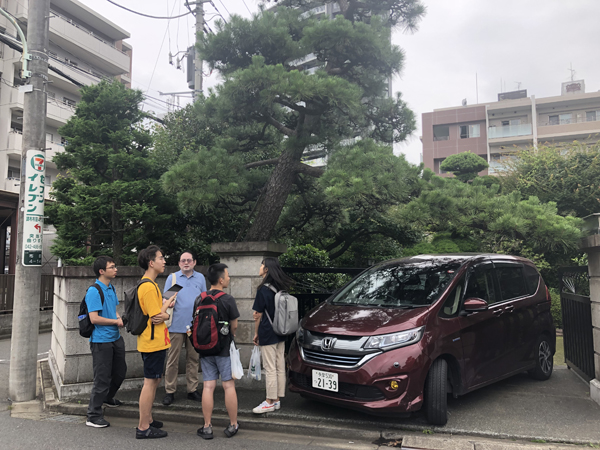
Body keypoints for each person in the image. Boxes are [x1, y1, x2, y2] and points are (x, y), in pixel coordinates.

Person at [197, 263, 240, 440]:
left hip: (205, 348)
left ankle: (207, 426)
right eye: (227, 275)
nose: (229, 278)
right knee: (228, 385)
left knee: (208, 386)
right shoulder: (228, 299)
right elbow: (234, 326)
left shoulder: (199, 298)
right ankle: (233, 424)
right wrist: (229, 336)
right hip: (223, 349)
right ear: (221, 280)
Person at [135, 245, 174, 439]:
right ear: (151, 263)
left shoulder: (150, 284)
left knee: (154, 380)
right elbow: (156, 317)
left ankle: (148, 419)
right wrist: (166, 314)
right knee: (150, 383)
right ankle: (143, 427)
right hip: (153, 342)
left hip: (155, 341)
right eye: (161, 258)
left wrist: (166, 304)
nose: (164, 261)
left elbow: (156, 311)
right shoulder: (149, 287)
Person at [85, 256, 126, 428]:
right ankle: (93, 415)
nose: (115, 269)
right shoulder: (94, 291)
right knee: (101, 378)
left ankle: (108, 398)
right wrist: (115, 322)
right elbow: (94, 318)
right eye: (112, 267)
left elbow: (113, 309)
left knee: (120, 372)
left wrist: (118, 318)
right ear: (102, 271)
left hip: (115, 338)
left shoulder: (111, 287)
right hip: (101, 341)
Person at [162, 251, 206, 406]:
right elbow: (165, 299)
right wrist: (169, 302)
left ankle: (192, 389)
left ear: (194, 262)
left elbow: (204, 299)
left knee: (193, 359)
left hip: (194, 325)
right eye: (183, 261)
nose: (186, 263)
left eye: (189, 260)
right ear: (179, 263)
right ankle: (170, 390)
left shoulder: (200, 278)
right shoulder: (173, 278)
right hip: (175, 325)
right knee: (172, 360)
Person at [251, 257, 294, 414]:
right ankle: (277, 399)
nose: (260, 267)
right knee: (279, 366)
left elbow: (257, 314)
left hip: (268, 332)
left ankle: (269, 400)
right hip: (281, 331)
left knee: (269, 367)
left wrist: (256, 333)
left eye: (262, 265)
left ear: (267, 269)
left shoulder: (263, 289)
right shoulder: (281, 287)